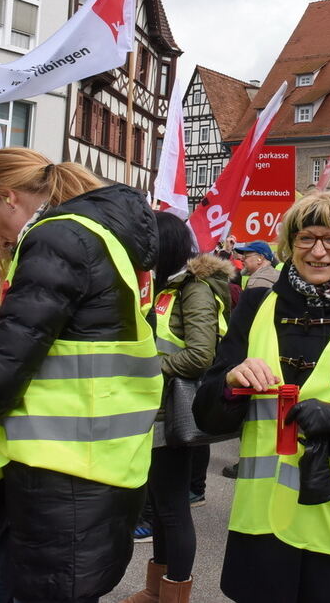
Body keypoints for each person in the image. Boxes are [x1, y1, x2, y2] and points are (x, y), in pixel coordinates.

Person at [0, 147, 162, 602]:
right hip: (98, 466)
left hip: (58, 477)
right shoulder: (107, 237)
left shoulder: (57, 237)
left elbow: (1, 371)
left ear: (7, 198)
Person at [192, 191, 330, 603]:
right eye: (306, 239)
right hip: (261, 529)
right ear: (289, 246)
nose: (318, 252)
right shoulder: (258, 305)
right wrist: (229, 385)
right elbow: (207, 414)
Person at [121, 212, 233, 603]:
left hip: (174, 413)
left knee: (171, 508)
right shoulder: (161, 287)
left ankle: (173, 594)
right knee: (161, 505)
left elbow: (201, 355)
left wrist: (145, 367)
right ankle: (156, 590)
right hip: (152, 410)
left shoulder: (194, 289)